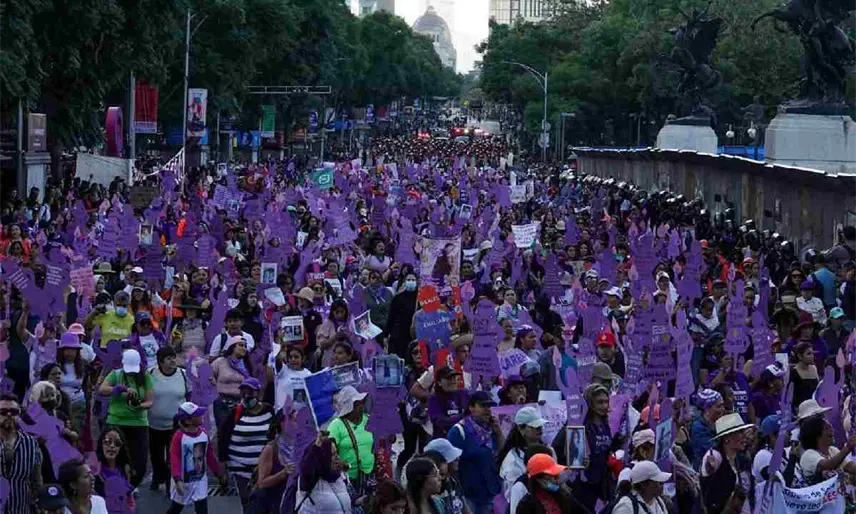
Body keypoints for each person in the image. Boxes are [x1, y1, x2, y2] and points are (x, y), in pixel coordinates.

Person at [96, 349, 153, 487]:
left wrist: (140, 405)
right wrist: (120, 389)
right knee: (113, 458)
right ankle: (114, 486)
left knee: (139, 463)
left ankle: (130, 486)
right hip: (116, 422)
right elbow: (102, 389)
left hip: (138, 423)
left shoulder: (145, 377)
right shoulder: (116, 374)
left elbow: (150, 401)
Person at [219, 377, 274, 510]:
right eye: (243, 392)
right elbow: (223, 438)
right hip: (240, 469)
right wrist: (222, 469)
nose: (247, 395)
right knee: (247, 503)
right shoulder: (236, 413)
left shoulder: (269, 411)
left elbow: (275, 436)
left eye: (250, 392)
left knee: (262, 503)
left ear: (258, 393)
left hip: (263, 470)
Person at [447, 391, 504, 514]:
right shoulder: (458, 431)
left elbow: (501, 453)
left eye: (489, 406)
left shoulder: (491, 429)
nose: (487, 410)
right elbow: (451, 465)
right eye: (483, 406)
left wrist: (498, 431)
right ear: (471, 408)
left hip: (490, 492)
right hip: (468, 495)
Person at [168, 402, 225, 514]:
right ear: (188, 421)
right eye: (197, 415)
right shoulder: (179, 436)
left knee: (202, 509)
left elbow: (209, 456)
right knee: (176, 508)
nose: (201, 416)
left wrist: (219, 473)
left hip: (200, 480)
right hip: (184, 482)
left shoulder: (203, 434)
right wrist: (177, 479)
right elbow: (175, 458)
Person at [148, 346, 189, 494]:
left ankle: (169, 482)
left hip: (176, 425)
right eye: (168, 358)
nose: (173, 361)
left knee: (172, 455)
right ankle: (157, 477)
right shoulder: (151, 373)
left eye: (173, 357)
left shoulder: (183, 374)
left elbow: (190, 395)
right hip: (154, 424)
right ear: (160, 361)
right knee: (156, 455)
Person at [699, 413, 754, 514]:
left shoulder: (737, 458)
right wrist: (710, 469)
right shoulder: (715, 455)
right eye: (739, 432)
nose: (744, 436)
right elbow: (706, 480)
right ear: (727, 438)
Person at [0, 392, 44, 514]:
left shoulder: (30, 443)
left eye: (13, 412)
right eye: (3, 412)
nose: (8, 415)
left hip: (20, 509)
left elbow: (37, 480)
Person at [327, 386, 375, 492]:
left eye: (361, 402)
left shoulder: (368, 420)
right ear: (348, 408)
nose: (361, 406)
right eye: (357, 404)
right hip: (347, 478)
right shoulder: (336, 425)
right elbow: (328, 449)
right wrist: (339, 462)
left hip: (369, 475)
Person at [797, 404, 856, 485]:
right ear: (817, 436)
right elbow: (830, 465)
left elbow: (852, 468)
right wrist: (848, 447)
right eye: (827, 429)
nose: (832, 431)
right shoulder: (808, 455)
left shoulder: (832, 450)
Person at [252, 413, 297, 514]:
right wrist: (284, 473)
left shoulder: (300, 446)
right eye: (295, 420)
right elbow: (262, 483)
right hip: (271, 504)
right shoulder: (271, 448)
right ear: (284, 424)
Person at [498, 406, 546, 501]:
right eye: (534, 426)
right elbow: (513, 496)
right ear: (521, 429)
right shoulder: (513, 460)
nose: (539, 429)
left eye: (540, 425)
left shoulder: (549, 450)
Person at [295, 434, 351, 514]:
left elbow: (352, 499)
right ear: (321, 457)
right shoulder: (309, 480)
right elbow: (306, 468)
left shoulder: (340, 475)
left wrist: (364, 499)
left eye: (336, 453)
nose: (337, 457)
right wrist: (317, 445)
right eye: (332, 455)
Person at [515, 453, 588, 514]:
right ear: (539, 480)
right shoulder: (526, 506)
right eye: (553, 476)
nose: (557, 480)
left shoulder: (564, 496)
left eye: (557, 475)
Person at [211, 335, 253, 429]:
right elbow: (207, 374)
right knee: (223, 431)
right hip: (222, 403)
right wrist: (213, 384)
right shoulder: (220, 361)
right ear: (232, 347)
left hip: (240, 403)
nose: (244, 348)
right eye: (241, 345)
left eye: (245, 346)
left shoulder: (246, 365)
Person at [93, 428, 134, 514]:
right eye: (107, 442)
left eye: (117, 443)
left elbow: (129, 498)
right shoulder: (95, 470)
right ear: (101, 444)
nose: (112, 446)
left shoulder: (125, 468)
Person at [423, 438, 468, 514]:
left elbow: (465, 508)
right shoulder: (432, 490)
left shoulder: (453, 481)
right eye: (453, 458)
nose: (457, 458)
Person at [428, 367, 469, 438]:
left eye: (454, 378)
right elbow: (440, 422)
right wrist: (464, 416)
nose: (453, 381)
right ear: (439, 382)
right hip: (443, 441)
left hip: (463, 440)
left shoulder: (464, 394)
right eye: (448, 378)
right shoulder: (434, 399)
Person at [688, 389, 725, 469]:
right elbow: (711, 451)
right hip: (703, 470)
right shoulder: (698, 428)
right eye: (719, 406)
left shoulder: (719, 423)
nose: (722, 409)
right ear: (707, 409)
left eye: (723, 405)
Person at [271, 344, 312, 411]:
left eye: (296, 357)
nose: (293, 359)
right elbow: (277, 359)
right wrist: (280, 348)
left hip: (301, 415)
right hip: (282, 414)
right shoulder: (283, 369)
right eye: (290, 357)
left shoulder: (308, 374)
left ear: (303, 358)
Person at [790, 341, 819, 413]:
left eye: (812, 353)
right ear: (800, 356)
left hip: (816, 408)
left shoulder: (814, 368)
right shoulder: (793, 372)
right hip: (802, 411)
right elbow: (793, 398)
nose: (812, 356)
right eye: (808, 354)